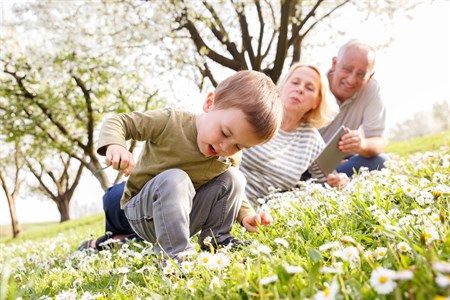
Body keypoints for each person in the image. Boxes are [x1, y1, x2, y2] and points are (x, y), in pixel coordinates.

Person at [79, 70, 283, 263]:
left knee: (234, 177)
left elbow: (231, 191)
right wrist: (116, 145)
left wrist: (246, 215)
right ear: (210, 103)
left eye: (239, 145)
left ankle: (217, 240)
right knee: (176, 178)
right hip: (143, 212)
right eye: (225, 132)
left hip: (183, 216)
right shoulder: (170, 122)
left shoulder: (230, 156)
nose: (225, 146)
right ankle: (177, 257)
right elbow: (120, 122)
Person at [239, 63, 349, 207]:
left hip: (260, 219)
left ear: (317, 102)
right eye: (295, 82)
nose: (300, 89)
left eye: (309, 88)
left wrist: (338, 182)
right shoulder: (256, 114)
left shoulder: (311, 140)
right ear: (283, 87)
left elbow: (330, 181)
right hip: (223, 197)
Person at [319, 39, 387, 177]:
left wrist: (361, 145)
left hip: (343, 164)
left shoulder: (372, 90)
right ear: (334, 64)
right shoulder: (314, 84)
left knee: (381, 162)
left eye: (361, 74)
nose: (351, 80)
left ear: (370, 76)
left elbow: (378, 141)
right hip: (301, 164)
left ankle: (329, 181)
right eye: (347, 69)